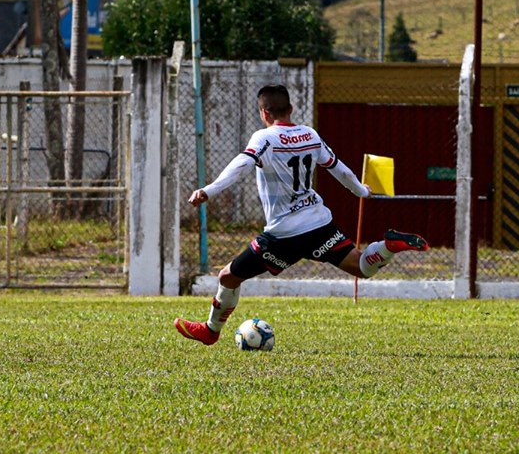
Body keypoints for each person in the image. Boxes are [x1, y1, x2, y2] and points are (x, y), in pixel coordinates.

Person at [174, 84, 429, 346]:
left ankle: (211, 330)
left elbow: (242, 165)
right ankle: (387, 247)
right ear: (291, 109)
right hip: (319, 223)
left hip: (284, 233)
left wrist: (208, 190)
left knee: (228, 277)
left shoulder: (264, 138)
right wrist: (362, 191)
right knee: (362, 266)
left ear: (264, 112)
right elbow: (339, 169)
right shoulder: (310, 135)